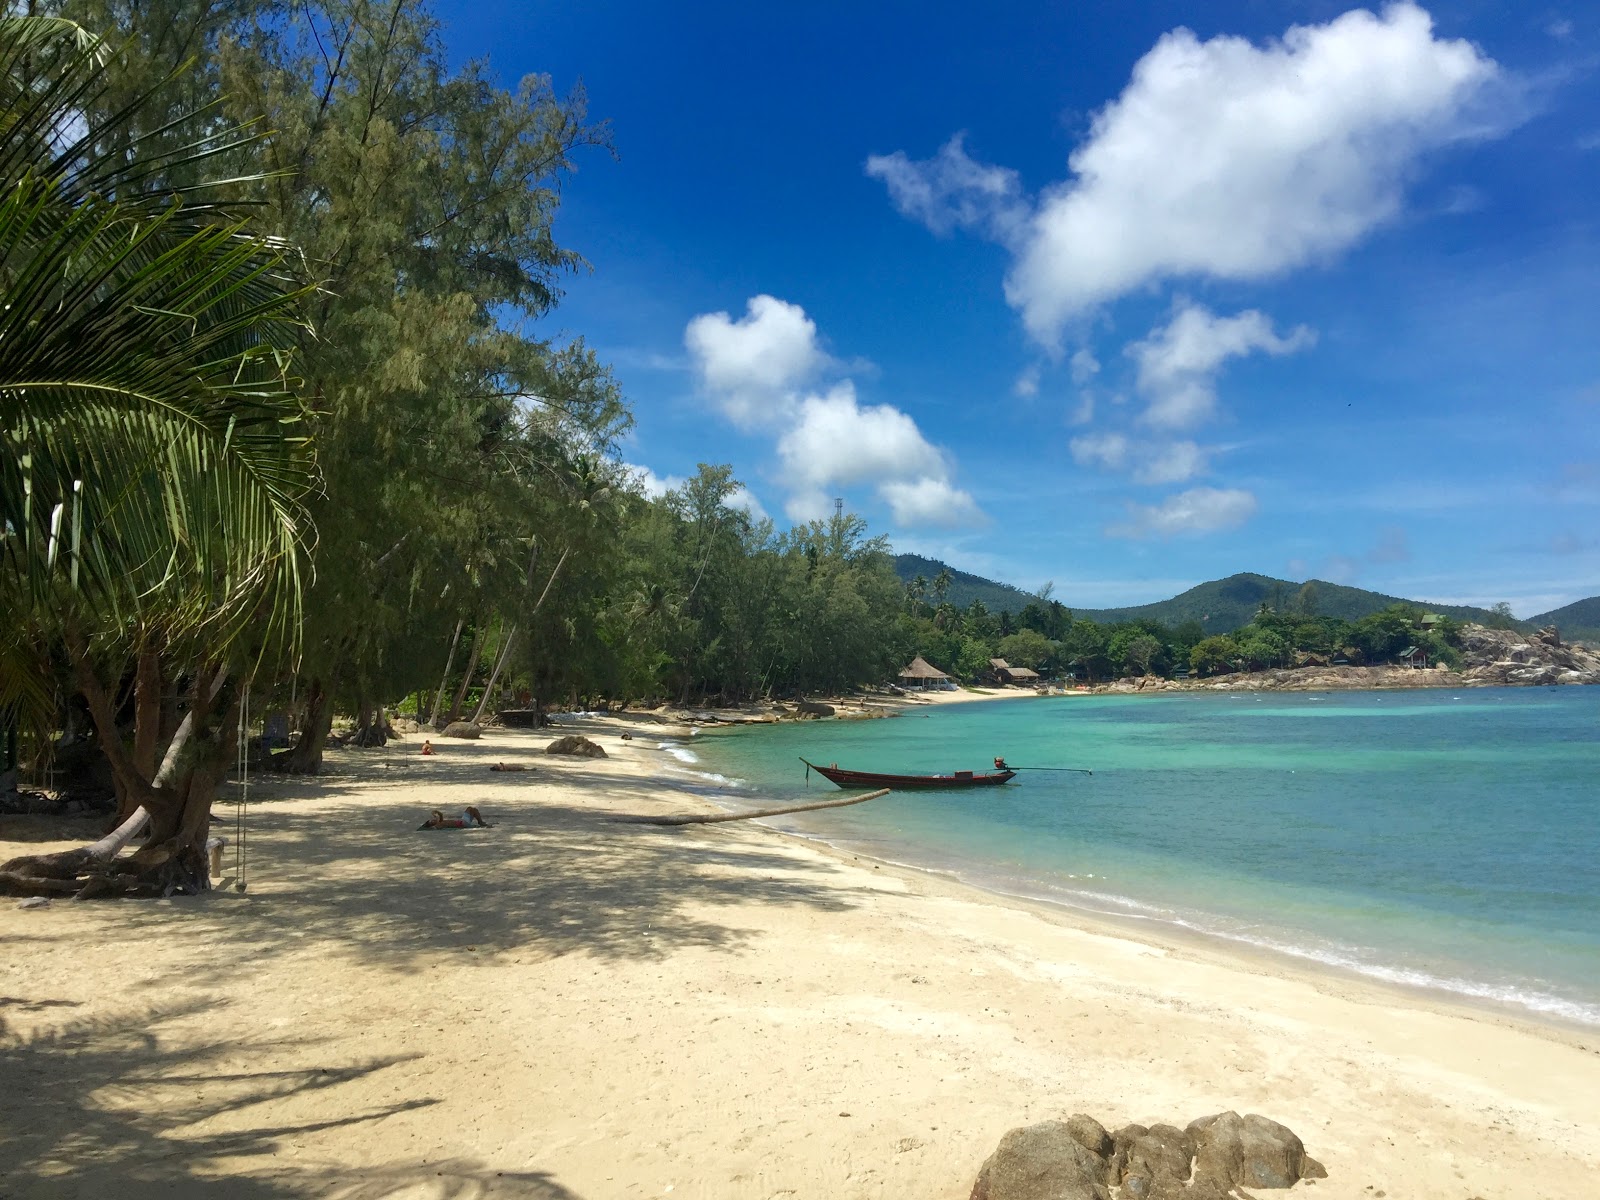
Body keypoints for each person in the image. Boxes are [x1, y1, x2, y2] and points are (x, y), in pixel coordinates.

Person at [418, 806, 491, 830]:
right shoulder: (438, 825)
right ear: (432, 824)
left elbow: (440, 815)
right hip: (462, 824)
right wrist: (426, 825)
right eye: (432, 821)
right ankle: (480, 822)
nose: (433, 820)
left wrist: (435, 812)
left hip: (461, 821)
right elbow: (427, 828)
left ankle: (480, 822)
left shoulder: (440, 821)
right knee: (471, 809)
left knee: (471, 809)